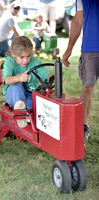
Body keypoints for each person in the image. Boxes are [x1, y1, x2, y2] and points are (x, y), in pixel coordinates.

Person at [62, 0, 99, 142]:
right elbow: (78, 18)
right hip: (91, 46)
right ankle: (84, 126)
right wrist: (69, 48)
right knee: (88, 86)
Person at [2, 36, 53, 127]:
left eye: (28, 56)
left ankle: (27, 114)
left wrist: (54, 77)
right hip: (13, 96)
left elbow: (46, 74)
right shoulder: (9, 61)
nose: (25, 60)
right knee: (17, 77)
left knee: (40, 103)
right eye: (21, 57)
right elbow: (7, 79)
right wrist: (19, 78)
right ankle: (20, 110)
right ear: (13, 54)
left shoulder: (34, 61)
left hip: (29, 94)